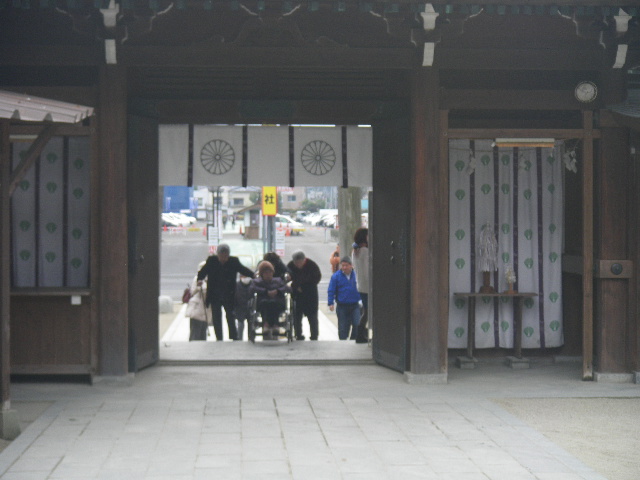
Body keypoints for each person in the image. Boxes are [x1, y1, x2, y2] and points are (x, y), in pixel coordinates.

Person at [197, 243, 254, 341]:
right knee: (216, 317)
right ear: (218, 254)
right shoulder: (211, 261)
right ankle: (219, 337)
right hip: (215, 294)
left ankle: (233, 336)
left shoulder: (233, 261)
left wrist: (253, 275)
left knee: (231, 316)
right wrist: (199, 279)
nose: (224, 258)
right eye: (222, 256)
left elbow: (243, 269)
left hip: (229, 293)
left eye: (226, 256)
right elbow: (203, 271)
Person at [250, 261, 290, 340]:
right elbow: (252, 289)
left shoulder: (278, 281)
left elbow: (288, 288)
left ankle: (272, 324)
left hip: (277, 302)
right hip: (263, 303)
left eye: (270, 272)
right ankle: (268, 324)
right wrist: (265, 292)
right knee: (266, 303)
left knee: (273, 303)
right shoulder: (257, 282)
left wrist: (277, 291)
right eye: (266, 273)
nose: (268, 274)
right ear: (262, 274)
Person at [287, 250, 321, 341]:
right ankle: (298, 334)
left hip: (310, 294)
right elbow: (287, 278)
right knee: (297, 316)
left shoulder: (312, 265)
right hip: (297, 295)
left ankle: (314, 335)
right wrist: (295, 286)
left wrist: (302, 285)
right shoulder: (290, 266)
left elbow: (316, 278)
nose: (298, 265)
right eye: (296, 263)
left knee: (312, 316)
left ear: (304, 260)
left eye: (300, 262)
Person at [327, 256, 361, 340]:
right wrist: (330, 303)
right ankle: (343, 342)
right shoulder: (336, 276)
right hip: (342, 306)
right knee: (343, 328)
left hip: (355, 305)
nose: (344, 268)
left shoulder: (356, 275)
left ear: (351, 265)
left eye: (346, 265)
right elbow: (331, 290)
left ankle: (353, 340)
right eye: (342, 266)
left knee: (357, 324)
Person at [352, 227, 369, 344]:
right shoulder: (365, 252)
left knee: (366, 310)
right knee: (368, 311)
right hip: (368, 285)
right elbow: (368, 271)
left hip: (361, 285)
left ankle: (360, 334)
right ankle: (360, 334)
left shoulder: (355, 252)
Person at [185, 261, 210, 341]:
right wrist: (199, 287)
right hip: (197, 309)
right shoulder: (197, 279)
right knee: (195, 334)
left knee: (203, 334)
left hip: (205, 311)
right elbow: (193, 292)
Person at [233, 275, 253, 341]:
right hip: (242, 307)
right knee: (242, 324)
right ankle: (242, 339)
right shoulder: (237, 285)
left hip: (246, 307)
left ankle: (245, 339)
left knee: (246, 324)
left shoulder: (252, 284)